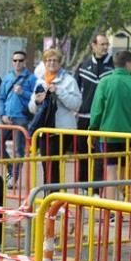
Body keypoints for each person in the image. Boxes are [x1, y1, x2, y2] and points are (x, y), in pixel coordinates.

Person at [88, 50, 131, 198]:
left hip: (107, 134)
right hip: (128, 135)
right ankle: (123, 206)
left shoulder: (105, 82)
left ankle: (111, 211)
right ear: (129, 63)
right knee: (125, 172)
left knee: (111, 171)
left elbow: (97, 109)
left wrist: (93, 129)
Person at [28, 48, 81, 185]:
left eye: (55, 60)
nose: (51, 63)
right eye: (48, 60)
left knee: (53, 165)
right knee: (46, 164)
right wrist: (37, 101)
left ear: (60, 63)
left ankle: (54, 199)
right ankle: (49, 197)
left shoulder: (68, 80)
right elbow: (32, 108)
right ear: (44, 63)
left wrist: (59, 91)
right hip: (44, 130)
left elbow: (76, 104)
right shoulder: (40, 82)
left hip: (62, 130)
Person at [76, 33, 115, 183]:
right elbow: (77, 89)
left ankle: (96, 190)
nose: (105, 47)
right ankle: (84, 186)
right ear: (94, 46)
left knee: (100, 155)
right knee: (83, 154)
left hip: (104, 119)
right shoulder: (83, 65)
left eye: (107, 44)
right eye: (102, 44)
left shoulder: (113, 66)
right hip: (84, 118)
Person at [0, 50, 35, 181]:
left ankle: (14, 178)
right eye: (15, 60)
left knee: (18, 150)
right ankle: (10, 167)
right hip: (6, 117)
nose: (17, 63)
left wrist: (23, 93)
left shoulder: (31, 78)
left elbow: (36, 99)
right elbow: (0, 97)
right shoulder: (7, 77)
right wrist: (2, 114)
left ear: (25, 61)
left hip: (21, 118)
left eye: (20, 60)